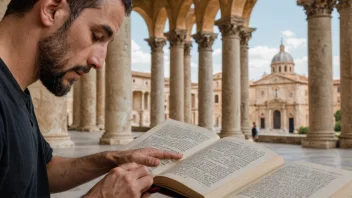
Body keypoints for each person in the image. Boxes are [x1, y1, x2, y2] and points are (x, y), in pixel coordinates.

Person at [0, 0, 183, 197]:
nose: (99, 62)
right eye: (97, 36)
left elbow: (41, 170)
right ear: (52, 11)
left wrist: (113, 158)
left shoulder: (17, 91)